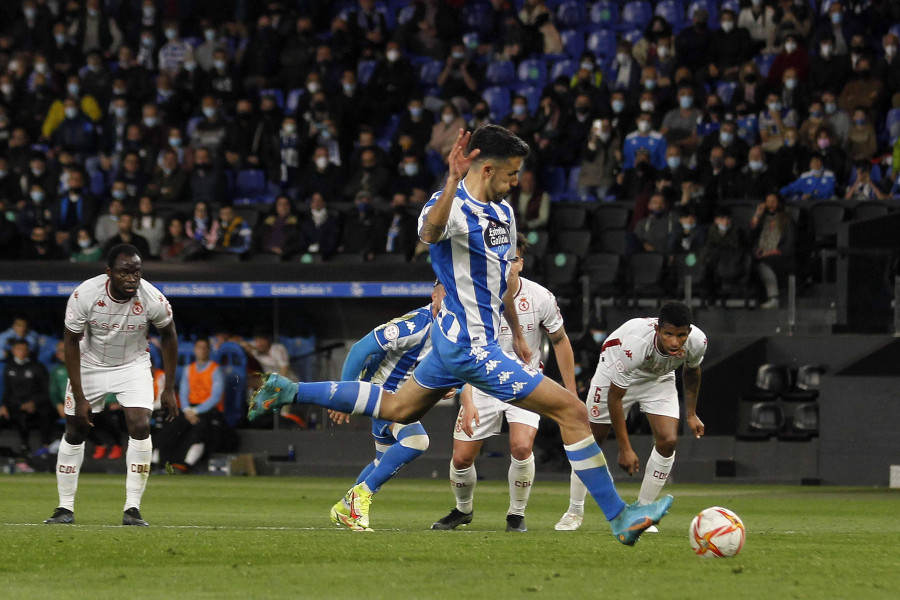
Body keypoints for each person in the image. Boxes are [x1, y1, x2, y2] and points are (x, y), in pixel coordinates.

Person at [247, 126, 672, 545]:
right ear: (486, 169)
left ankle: (288, 391)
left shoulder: (504, 213)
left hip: (460, 342)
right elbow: (428, 234)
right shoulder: (449, 206)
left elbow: (502, 279)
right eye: (511, 174)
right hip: (470, 347)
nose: (516, 181)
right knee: (573, 412)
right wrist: (451, 181)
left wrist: (517, 334)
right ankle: (620, 516)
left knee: (397, 407)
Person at [432, 233, 575, 532]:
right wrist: (466, 397)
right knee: (461, 458)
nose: (506, 264)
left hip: (523, 381)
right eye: (501, 257)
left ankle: (516, 515)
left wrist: (570, 394)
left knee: (522, 447)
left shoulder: (541, 297)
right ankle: (463, 510)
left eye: (512, 259)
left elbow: (560, 341)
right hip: (481, 382)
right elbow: (465, 350)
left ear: (520, 263)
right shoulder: (475, 296)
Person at [44, 244, 179, 526]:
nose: (132, 278)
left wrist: (169, 388)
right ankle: (64, 507)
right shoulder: (86, 294)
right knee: (75, 430)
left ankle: (132, 508)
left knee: (140, 425)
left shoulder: (152, 297)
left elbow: (169, 335)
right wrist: (79, 395)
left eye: (136, 272)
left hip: (133, 364)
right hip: (90, 364)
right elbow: (71, 341)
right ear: (109, 273)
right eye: (124, 272)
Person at [555, 302, 706, 531]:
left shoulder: (698, 342)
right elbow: (615, 397)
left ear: (689, 332)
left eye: (681, 335)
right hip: (613, 371)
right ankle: (574, 511)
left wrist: (692, 414)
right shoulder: (636, 344)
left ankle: (643, 513)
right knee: (590, 441)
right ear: (657, 330)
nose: (675, 342)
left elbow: (692, 371)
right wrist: (625, 448)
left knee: (668, 441)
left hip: (659, 377)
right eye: (668, 334)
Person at [328, 282, 446, 531]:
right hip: (380, 392)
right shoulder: (414, 325)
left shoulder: (451, 330)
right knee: (417, 441)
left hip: (403, 399)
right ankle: (359, 499)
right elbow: (360, 349)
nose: (452, 301)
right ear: (434, 296)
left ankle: (345, 509)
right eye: (447, 295)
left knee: (382, 463)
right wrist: (344, 394)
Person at [154, 338, 226, 472]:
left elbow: (215, 397)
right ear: (195, 350)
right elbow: (183, 393)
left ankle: (185, 463)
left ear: (209, 351)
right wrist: (187, 410)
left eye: (205, 348)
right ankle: (160, 461)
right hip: (188, 409)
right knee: (172, 426)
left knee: (199, 428)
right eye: (199, 347)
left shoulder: (215, 370)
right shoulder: (189, 369)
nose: (202, 350)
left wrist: (195, 411)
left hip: (208, 410)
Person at [1, 339, 54, 456]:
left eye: (25, 349)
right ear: (13, 351)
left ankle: (46, 446)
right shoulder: (9, 367)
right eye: (19, 349)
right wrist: (3, 405)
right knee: (10, 415)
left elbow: (47, 391)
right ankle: (21, 447)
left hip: (36, 405)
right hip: (15, 406)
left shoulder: (38, 367)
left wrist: (34, 403)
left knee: (46, 412)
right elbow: (7, 390)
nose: (22, 352)